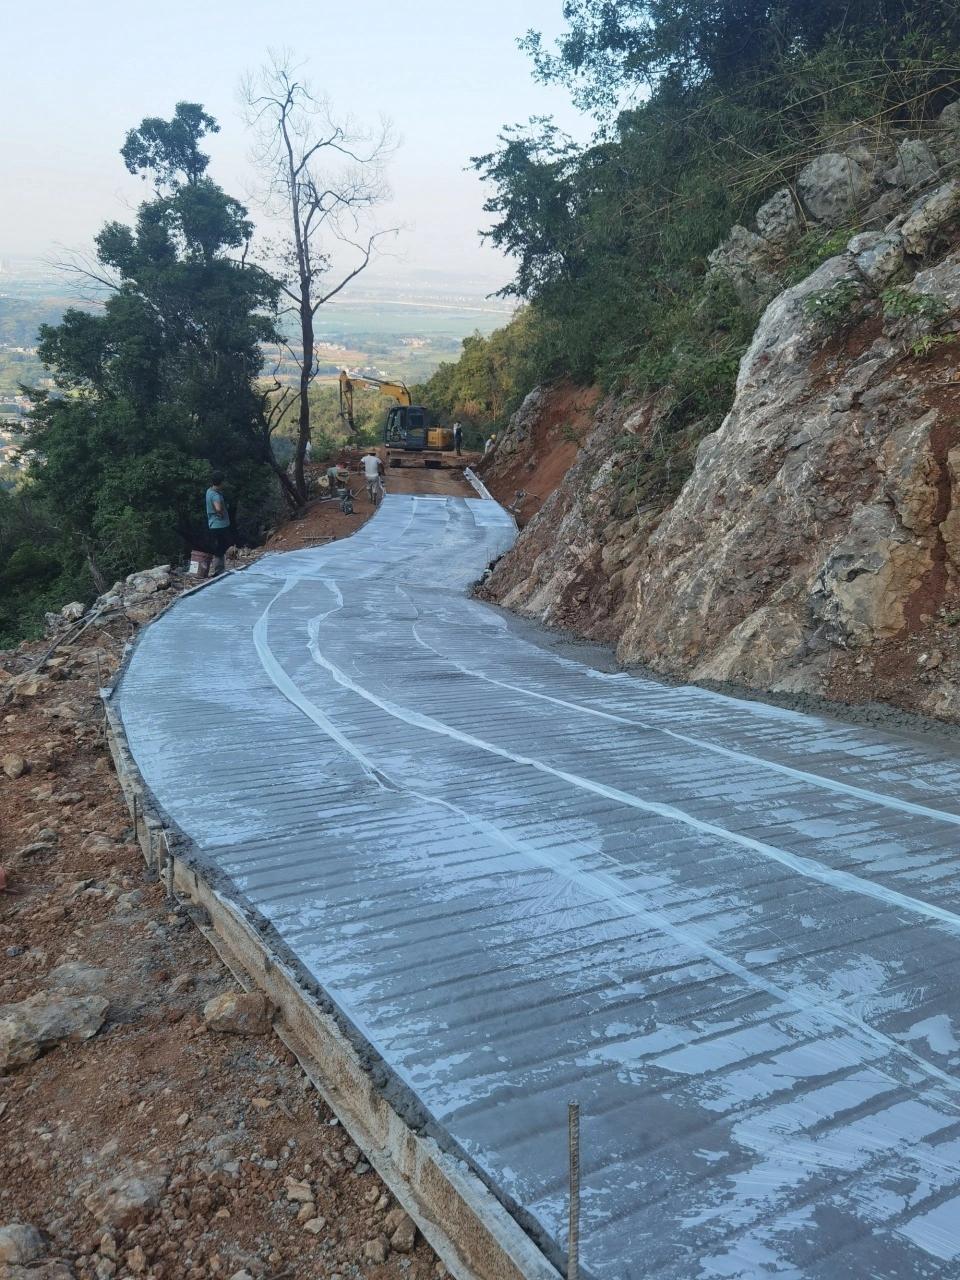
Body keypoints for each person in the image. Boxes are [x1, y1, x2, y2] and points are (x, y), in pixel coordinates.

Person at [205, 473, 231, 575]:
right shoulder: (215, 495)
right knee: (220, 548)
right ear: (221, 482)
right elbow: (218, 508)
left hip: (213, 524)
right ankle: (218, 570)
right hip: (219, 525)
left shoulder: (209, 491)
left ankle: (219, 569)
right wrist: (221, 513)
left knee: (219, 547)